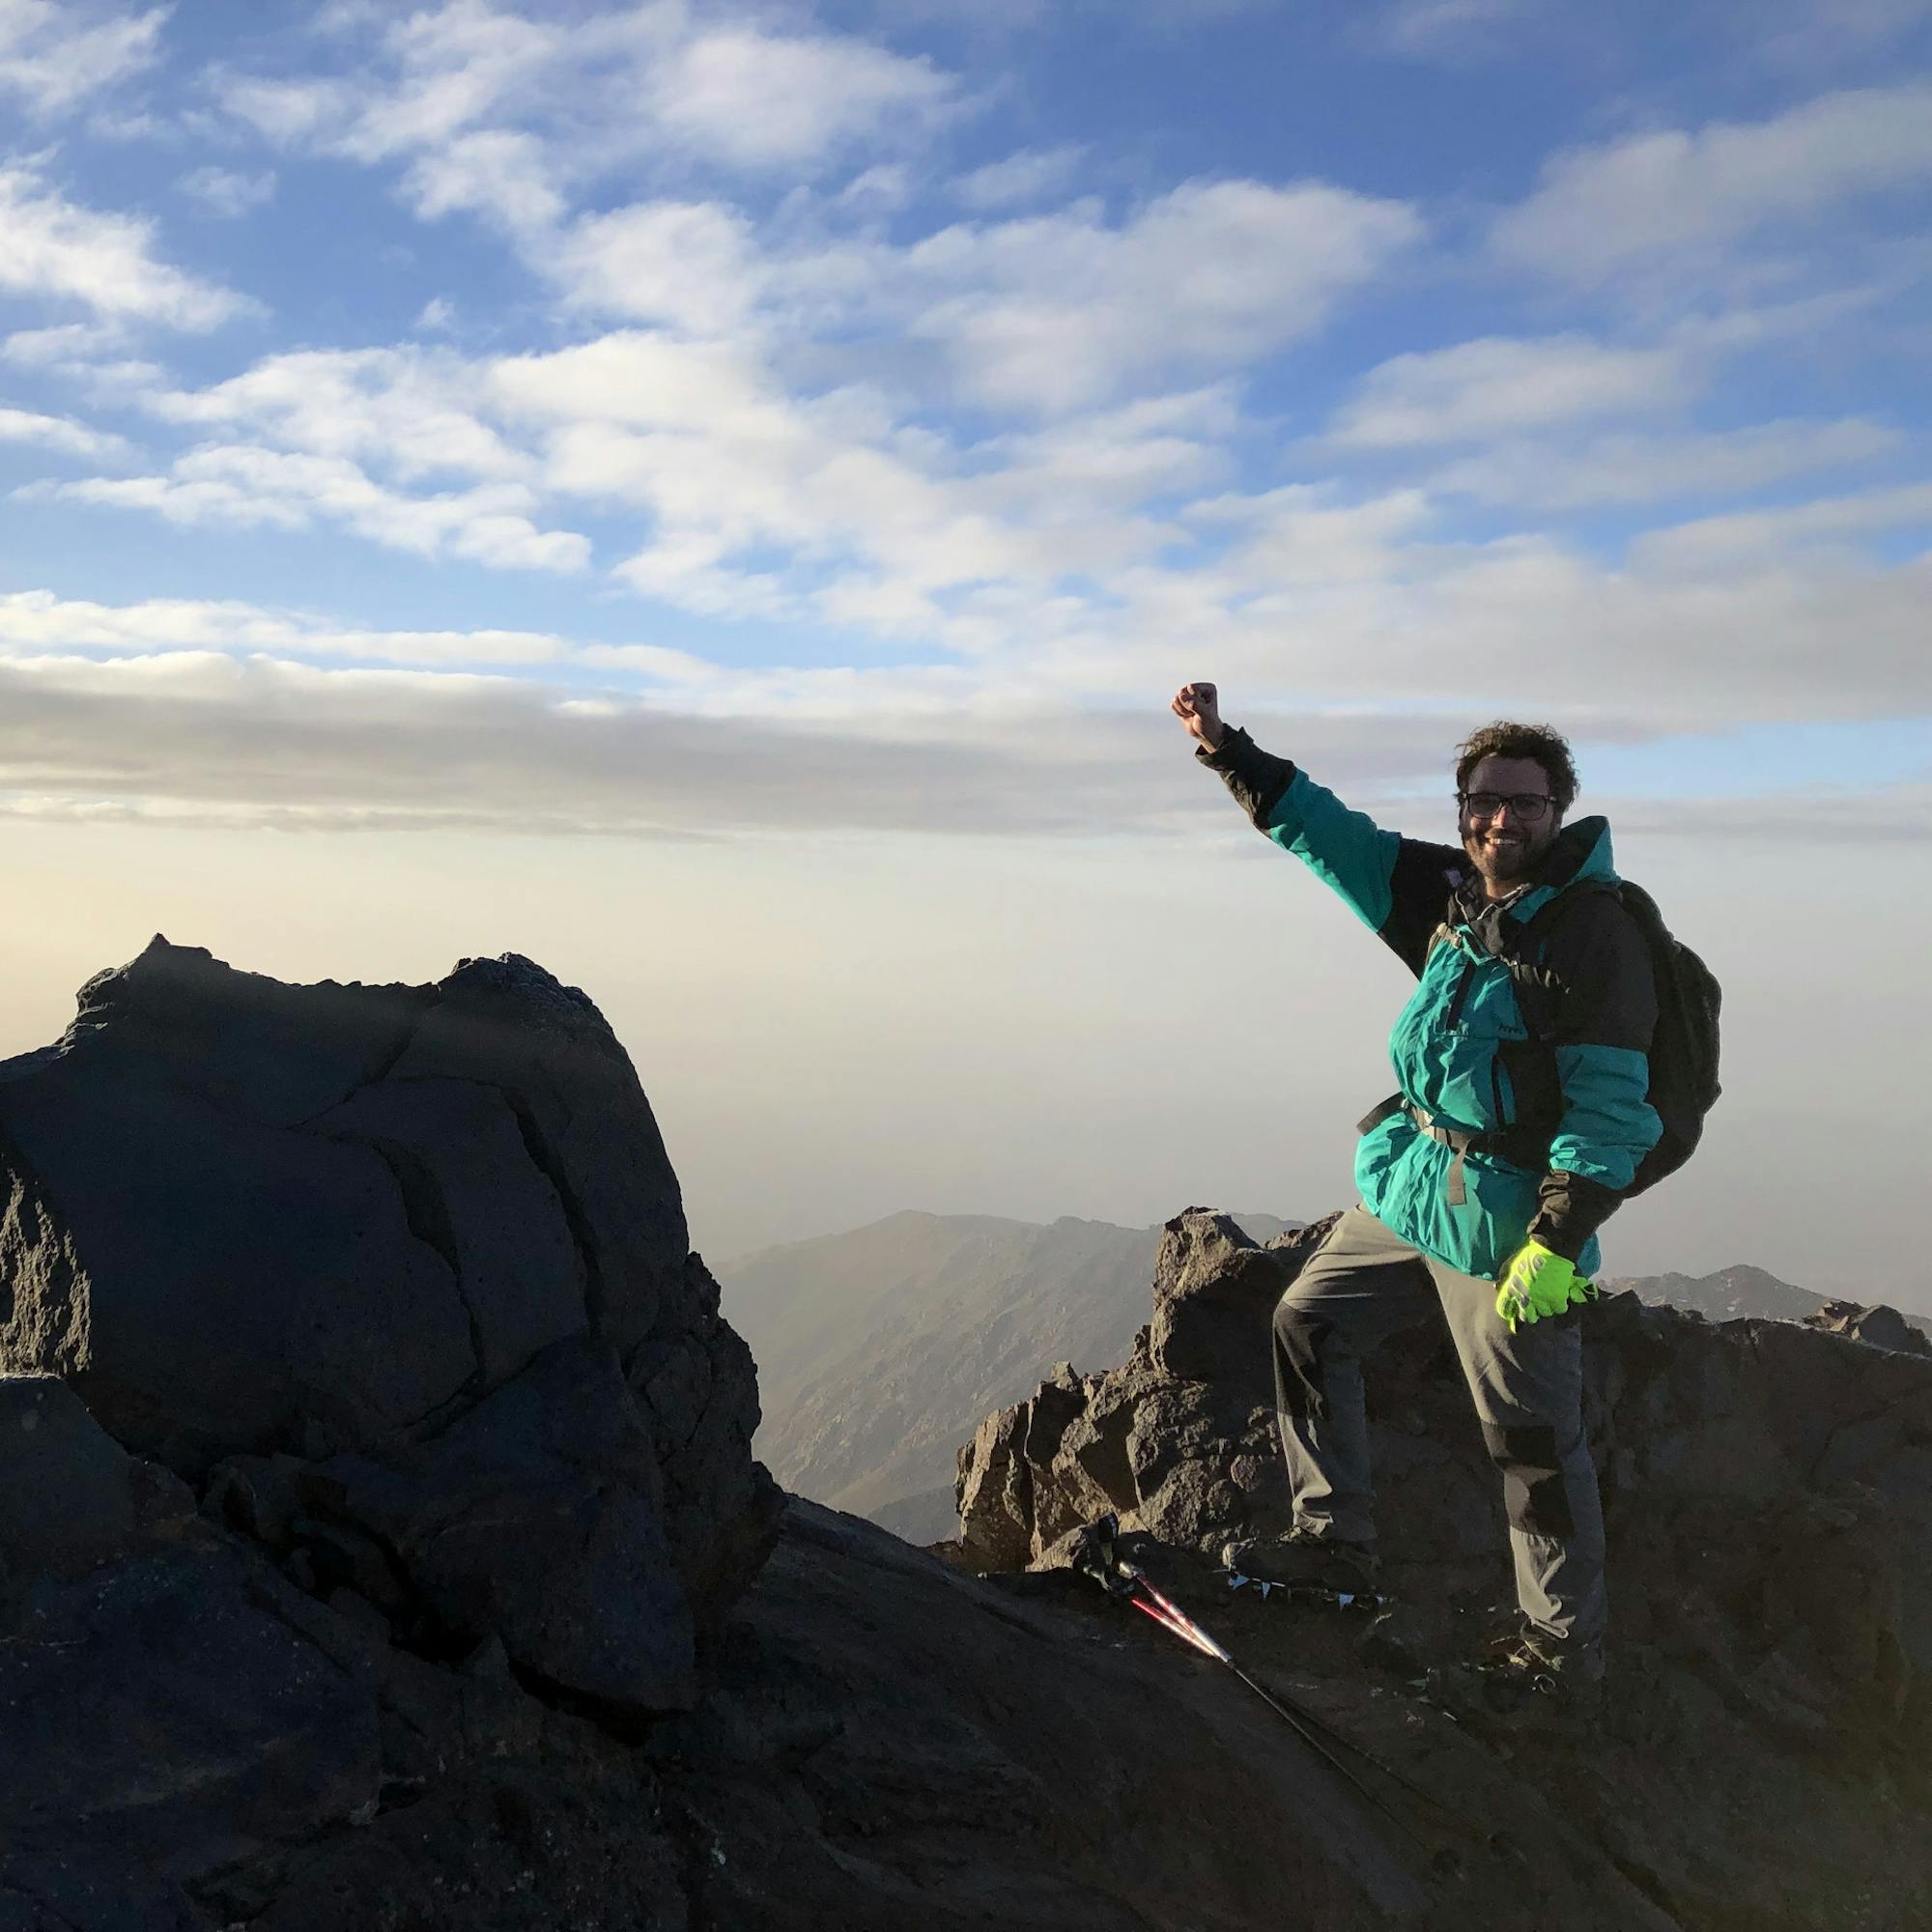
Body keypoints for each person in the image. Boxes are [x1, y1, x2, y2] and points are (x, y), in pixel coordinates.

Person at [1171, 681, 1660, 1704]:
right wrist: (1227, 750)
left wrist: (1556, 1239)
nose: (1501, 819)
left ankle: (1565, 1654)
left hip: (1503, 1221)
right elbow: (1330, 837)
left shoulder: (1589, 936)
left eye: (1524, 803)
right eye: (1485, 800)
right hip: (1414, 1185)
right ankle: (1331, 1540)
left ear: (1558, 809)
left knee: (1529, 1441)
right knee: (1306, 1319)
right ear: (1462, 807)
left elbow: (1610, 1106)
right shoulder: (1447, 892)